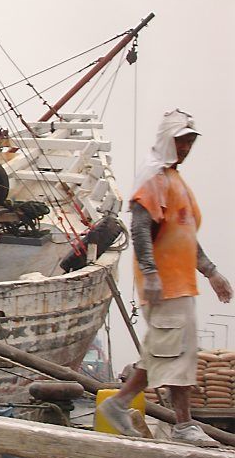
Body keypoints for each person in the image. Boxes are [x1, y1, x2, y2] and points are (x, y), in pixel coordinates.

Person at [96, 110, 232, 447]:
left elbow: (184, 235)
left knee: (170, 353)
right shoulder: (154, 177)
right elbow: (141, 229)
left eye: (189, 141)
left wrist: (212, 272)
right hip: (166, 283)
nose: (186, 147)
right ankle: (180, 422)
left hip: (181, 280)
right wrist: (151, 273)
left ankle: (122, 404)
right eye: (180, 141)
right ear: (166, 140)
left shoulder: (174, 180)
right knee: (173, 354)